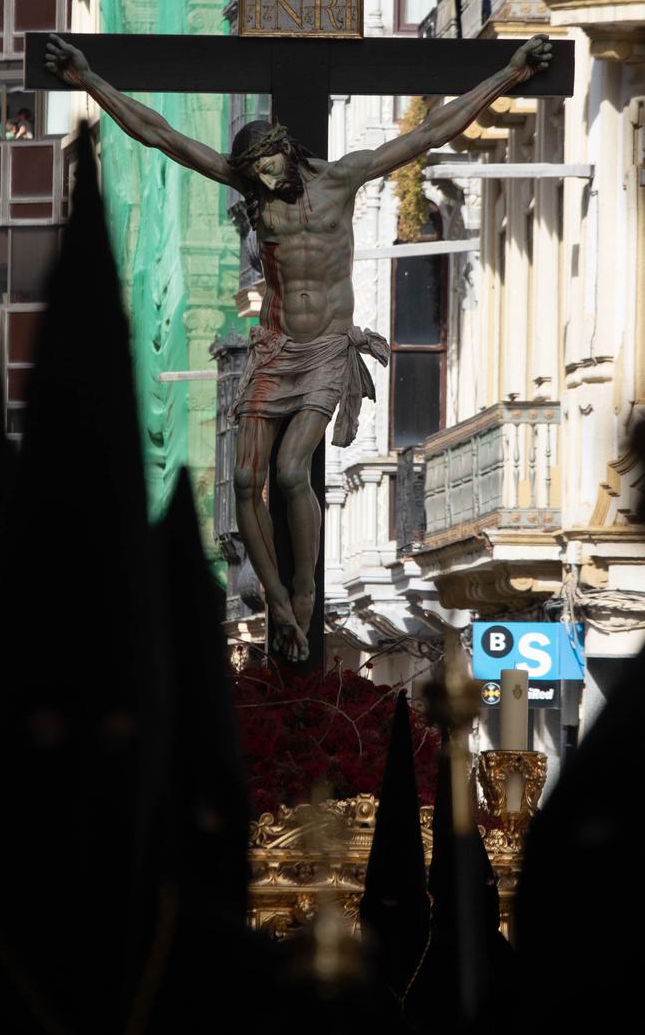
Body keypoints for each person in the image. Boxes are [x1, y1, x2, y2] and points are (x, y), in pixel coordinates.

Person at [41, 32, 555, 662]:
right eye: (252, 171)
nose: (260, 178)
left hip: (325, 351)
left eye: (268, 165)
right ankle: (277, 604)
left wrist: (508, 74)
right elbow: (161, 134)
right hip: (276, 345)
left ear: (286, 149)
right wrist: (90, 81)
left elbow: (429, 132)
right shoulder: (254, 191)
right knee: (244, 476)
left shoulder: (344, 178)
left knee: (290, 473)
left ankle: (305, 597)